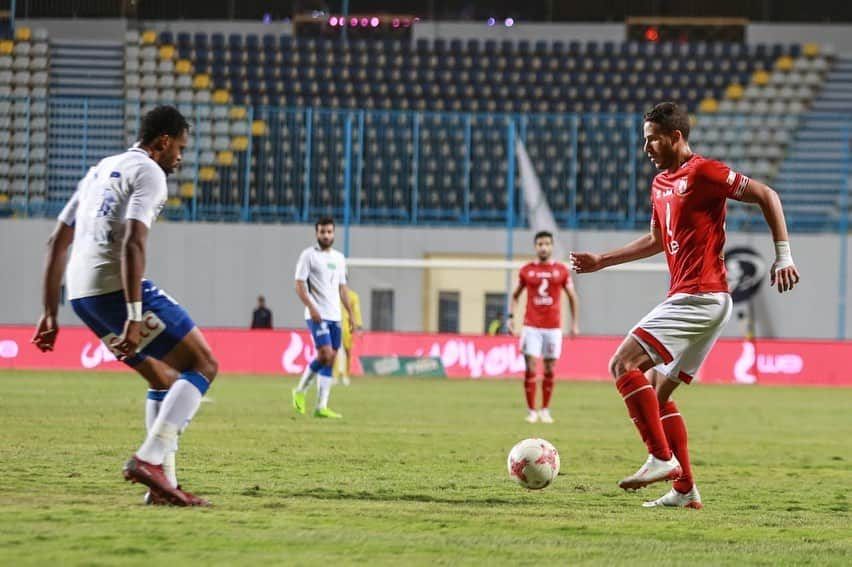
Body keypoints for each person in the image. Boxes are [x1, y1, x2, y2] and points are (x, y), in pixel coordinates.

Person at [571, 102, 801, 508]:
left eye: (652, 139)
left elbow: (767, 194)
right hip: (700, 299)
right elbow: (657, 240)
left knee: (622, 365)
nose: (646, 148)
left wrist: (783, 255)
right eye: (644, 140)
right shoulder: (661, 184)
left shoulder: (705, 172)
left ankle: (661, 458)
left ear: (675, 136)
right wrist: (602, 261)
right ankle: (684, 489)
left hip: (701, 294)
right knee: (657, 396)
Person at [31, 105, 216, 507]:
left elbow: (56, 242)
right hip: (115, 291)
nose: (180, 158)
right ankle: (150, 461)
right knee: (202, 365)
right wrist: (134, 315)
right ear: (162, 142)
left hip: (82, 296)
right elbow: (134, 242)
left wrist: (50, 312)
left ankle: (162, 487)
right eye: (179, 148)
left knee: (161, 380)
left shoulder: (101, 168)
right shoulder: (149, 172)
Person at [508, 230, 580, 424]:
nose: (544, 247)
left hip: (553, 328)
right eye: (540, 244)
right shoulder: (526, 270)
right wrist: (510, 317)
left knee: (549, 369)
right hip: (531, 326)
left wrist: (574, 324)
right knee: (530, 366)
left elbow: (573, 297)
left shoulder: (562, 271)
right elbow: (515, 295)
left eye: (547, 244)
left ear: (552, 246)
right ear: (535, 247)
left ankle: (545, 409)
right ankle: (532, 411)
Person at [291, 217, 354, 418]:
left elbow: (342, 288)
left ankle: (321, 406)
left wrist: (350, 313)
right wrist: (311, 307)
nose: (326, 235)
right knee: (325, 354)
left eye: (329, 232)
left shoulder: (339, 258)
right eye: (322, 232)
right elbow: (299, 285)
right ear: (316, 233)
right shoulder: (308, 256)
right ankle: (300, 390)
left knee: (331, 359)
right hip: (317, 314)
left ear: (334, 234)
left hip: (335, 315)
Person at [335, 282, 362, 385]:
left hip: (348, 327)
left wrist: (359, 326)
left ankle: (346, 375)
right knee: (334, 351)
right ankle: (336, 375)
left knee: (347, 351)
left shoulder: (353, 296)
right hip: (335, 325)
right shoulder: (333, 295)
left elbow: (356, 311)